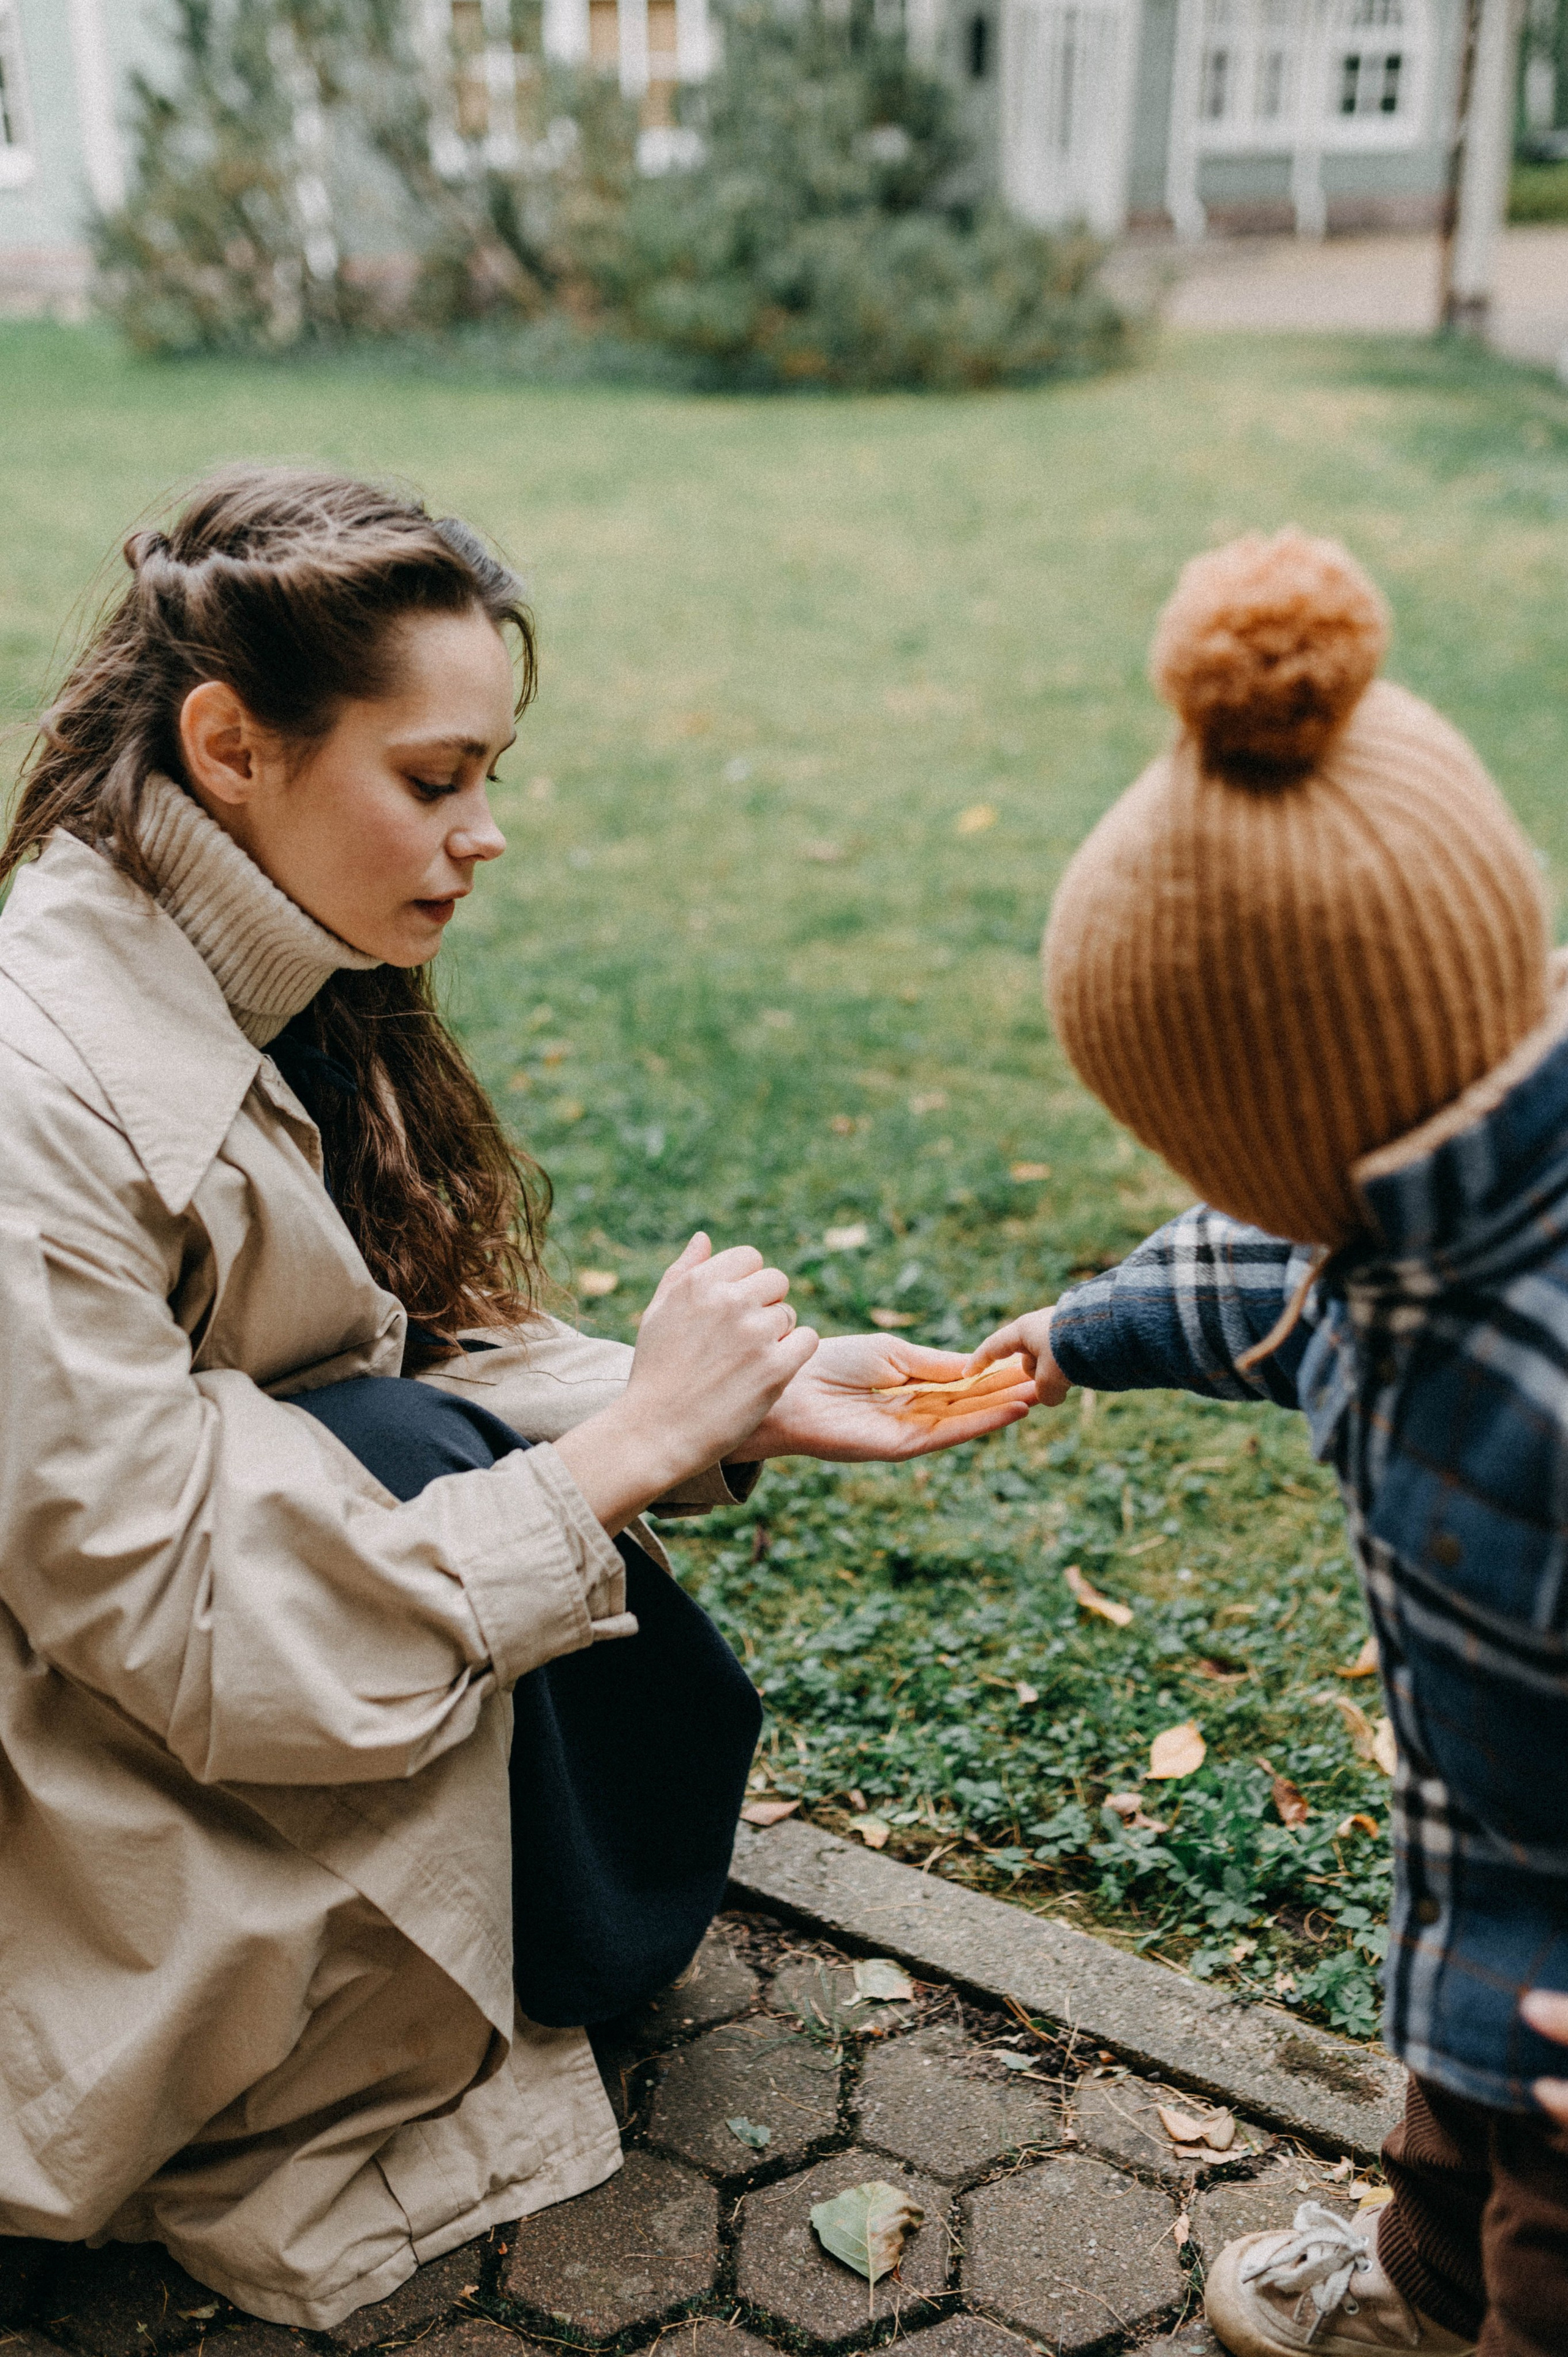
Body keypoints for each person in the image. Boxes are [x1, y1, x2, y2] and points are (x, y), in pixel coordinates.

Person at [0, 468, 1035, 2331]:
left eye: (492, 777)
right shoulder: (34, 1098)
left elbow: (387, 1351)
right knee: (391, 1482)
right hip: (112, 1784)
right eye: (434, 777)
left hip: (280, 1700)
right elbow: (164, 1605)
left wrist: (741, 1398)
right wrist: (633, 1445)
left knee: (398, 1466)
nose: (483, 836)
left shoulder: (255, 955)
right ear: (230, 744)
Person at [968, 529, 1568, 2357]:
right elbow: (1245, 1280)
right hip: (1486, 1910)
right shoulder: (1376, 1231)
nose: (1219, 1210)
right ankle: (1413, 2292)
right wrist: (1075, 1336)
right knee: (1444, 2144)